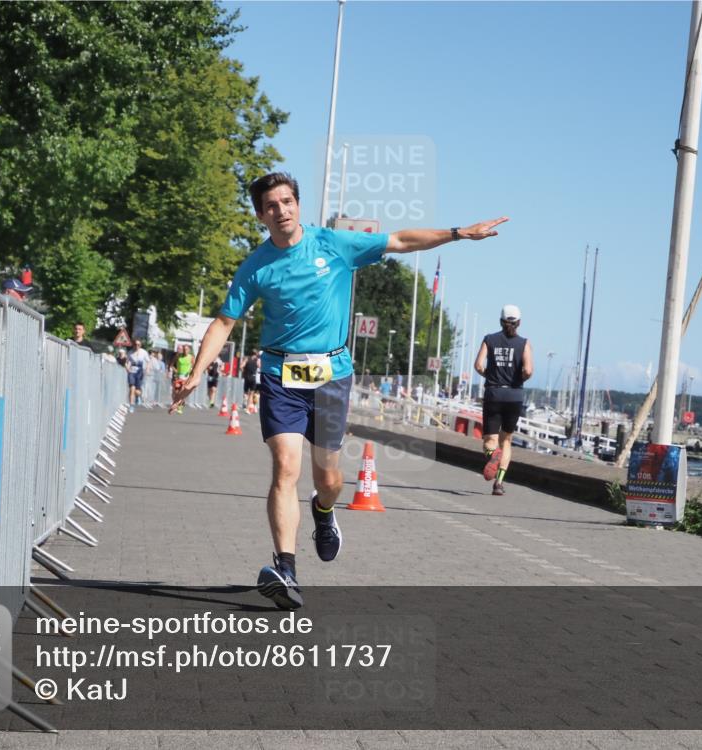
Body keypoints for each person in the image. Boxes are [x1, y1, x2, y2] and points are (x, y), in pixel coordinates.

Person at [171, 171, 505, 609]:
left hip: (331, 376)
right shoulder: (256, 266)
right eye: (271, 206)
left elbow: (401, 240)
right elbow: (223, 322)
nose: (281, 210)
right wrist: (198, 371)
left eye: (287, 201)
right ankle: (286, 569)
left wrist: (459, 233)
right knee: (284, 468)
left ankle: (324, 511)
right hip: (280, 375)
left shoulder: (333, 244)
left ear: (298, 204)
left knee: (327, 479)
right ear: (260, 216)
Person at [475, 304, 533, 496]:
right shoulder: (524, 343)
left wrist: (491, 376)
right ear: (519, 323)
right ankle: (499, 483)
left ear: (501, 321)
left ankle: (493, 455)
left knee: (489, 441)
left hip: (494, 393)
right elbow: (528, 371)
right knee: (506, 440)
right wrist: (517, 379)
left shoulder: (489, 340)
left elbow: (478, 365)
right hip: (514, 396)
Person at [168, 345, 195, 414]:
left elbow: (194, 367)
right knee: (176, 392)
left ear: (189, 350)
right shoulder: (178, 356)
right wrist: (176, 371)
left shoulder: (191, 357)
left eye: (187, 349)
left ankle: (178, 407)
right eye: (184, 349)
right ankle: (181, 403)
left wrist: (190, 373)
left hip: (186, 377)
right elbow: (171, 365)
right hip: (178, 376)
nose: (185, 351)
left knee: (182, 391)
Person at [126, 339, 151, 411]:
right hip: (132, 372)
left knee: (137, 391)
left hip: (139, 372)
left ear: (140, 345)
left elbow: (148, 361)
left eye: (138, 345)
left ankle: (138, 396)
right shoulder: (130, 353)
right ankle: (131, 405)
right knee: (132, 389)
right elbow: (127, 362)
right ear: (133, 345)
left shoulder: (143, 352)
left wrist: (147, 369)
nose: (137, 346)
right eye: (135, 344)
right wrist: (127, 368)